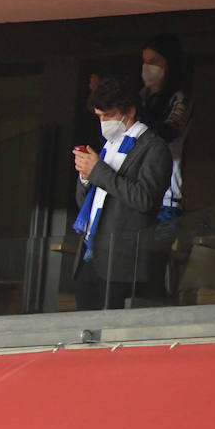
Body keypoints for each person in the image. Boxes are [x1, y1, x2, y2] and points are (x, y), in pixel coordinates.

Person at [71, 75, 172, 310]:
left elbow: (145, 199)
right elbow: (84, 202)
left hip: (121, 261)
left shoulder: (154, 148)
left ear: (131, 111)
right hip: (90, 253)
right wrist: (86, 178)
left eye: (109, 115)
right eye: (99, 117)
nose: (104, 122)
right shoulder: (108, 146)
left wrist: (98, 171)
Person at [135, 33, 192, 220]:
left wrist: (137, 113)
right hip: (135, 194)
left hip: (166, 198)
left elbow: (167, 133)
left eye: (154, 61)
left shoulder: (180, 98)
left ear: (169, 63)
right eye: (145, 61)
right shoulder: (139, 97)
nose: (148, 67)